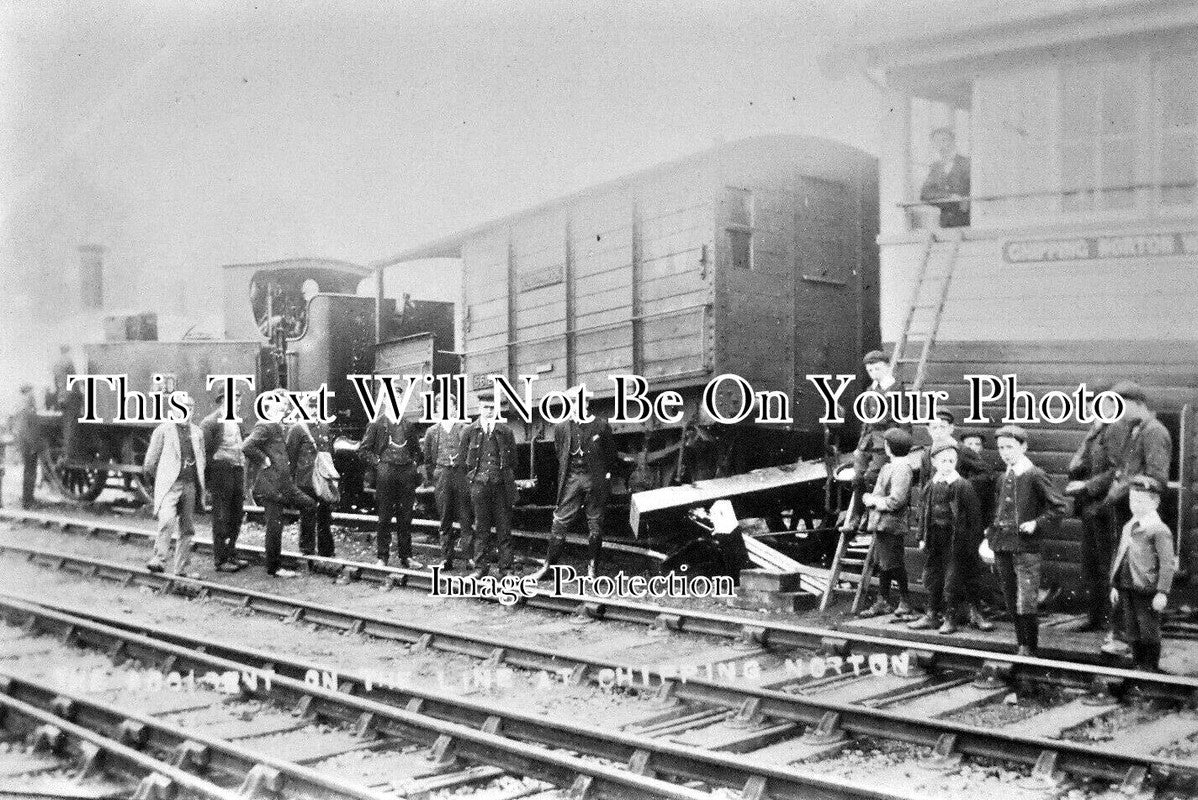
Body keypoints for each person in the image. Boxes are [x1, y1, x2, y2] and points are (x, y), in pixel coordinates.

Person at [985, 425, 1067, 656]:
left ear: (1023, 447)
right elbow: (999, 510)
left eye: (1010, 447)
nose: (1005, 452)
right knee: (1010, 597)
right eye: (1001, 447)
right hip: (1002, 546)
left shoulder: (1035, 475)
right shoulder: (1003, 478)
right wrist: (990, 534)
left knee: (1026, 598)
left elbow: (1060, 507)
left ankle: (1028, 647)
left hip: (1026, 548)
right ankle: (1020, 642)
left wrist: (1036, 523)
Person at [909, 442, 991, 634]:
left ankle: (951, 618)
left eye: (951, 461)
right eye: (943, 460)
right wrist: (921, 537)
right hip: (935, 540)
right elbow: (924, 513)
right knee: (932, 577)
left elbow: (974, 518)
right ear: (934, 462)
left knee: (952, 581)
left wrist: (971, 544)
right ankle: (931, 615)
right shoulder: (930, 485)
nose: (947, 464)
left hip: (957, 542)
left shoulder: (963, 486)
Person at [533, 407, 617, 581]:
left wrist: (602, 474)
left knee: (595, 523)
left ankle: (592, 569)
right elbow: (560, 452)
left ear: (586, 404)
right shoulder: (561, 427)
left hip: (593, 478)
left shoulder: (601, 425)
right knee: (560, 520)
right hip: (572, 477)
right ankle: (549, 567)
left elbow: (610, 454)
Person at [240, 391, 315, 578]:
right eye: (279, 405)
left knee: (310, 504)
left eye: (284, 405)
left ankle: (305, 550)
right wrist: (263, 459)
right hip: (270, 487)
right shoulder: (264, 426)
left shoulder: (277, 426)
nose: (283, 408)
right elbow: (247, 446)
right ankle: (274, 568)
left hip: (284, 485)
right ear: (269, 406)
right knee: (275, 527)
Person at [1064, 390, 1119, 631]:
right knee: (1091, 563)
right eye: (1086, 405)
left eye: (1093, 404)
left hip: (1107, 508)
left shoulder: (1114, 431)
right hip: (1090, 508)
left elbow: (1118, 470)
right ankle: (1095, 617)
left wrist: (1086, 485)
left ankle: (1113, 621)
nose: (1088, 409)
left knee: (1108, 564)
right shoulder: (1095, 430)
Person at [1108, 475, 1176, 671]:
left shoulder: (1158, 529)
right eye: (1132, 500)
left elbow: (1167, 563)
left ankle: (1150, 667)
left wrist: (1162, 591)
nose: (1134, 505)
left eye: (1140, 501)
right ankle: (1138, 665)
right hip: (1127, 585)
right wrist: (1114, 584)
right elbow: (1120, 555)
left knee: (1148, 629)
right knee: (1132, 629)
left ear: (1155, 503)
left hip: (1147, 588)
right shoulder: (1129, 526)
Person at [844, 350, 908, 531]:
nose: (874, 373)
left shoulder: (896, 389)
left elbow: (903, 420)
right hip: (868, 441)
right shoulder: (870, 390)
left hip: (886, 442)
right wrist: (860, 445)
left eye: (877, 369)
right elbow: (865, 419)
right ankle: (856, 516)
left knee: (871, 476)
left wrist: (900, 448)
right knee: (857, 477)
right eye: (870, 370)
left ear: (887, 367)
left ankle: (868, 515)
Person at [144, 394, 205, 577]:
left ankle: (181, 568)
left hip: (189, 485)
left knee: (187, 528)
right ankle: (159, 559)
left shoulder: (197, 432)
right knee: (167, 521)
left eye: (189, 408)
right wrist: (162, 480)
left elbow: (201, 458)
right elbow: (150, 463)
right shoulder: (163, 431)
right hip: (170, 485)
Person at [857, 428, 915, 619]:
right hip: (882, 524)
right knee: (883, 563)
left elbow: (896, 501)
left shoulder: (901, 468)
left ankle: (905, 601)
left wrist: (873, 501)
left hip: (892, 525)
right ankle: (883, 601)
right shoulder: (889, 467)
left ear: (890, 447)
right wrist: (871, 496)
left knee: (894, 564)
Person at [359, 405, 423, 568]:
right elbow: (363, 450)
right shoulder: (376, 424)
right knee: (384, 516)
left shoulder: (408, 425)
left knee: (406, 517)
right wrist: (379, 464)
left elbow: (417, 451)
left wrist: (413, 465)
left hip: (405, 474)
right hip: (386, 474)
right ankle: (382, 557)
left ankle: (406, 557)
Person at [1105, 381, 1172, 531]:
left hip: (1143, 512)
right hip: (1126, 509)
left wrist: (1127, 484)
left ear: (1136, 403)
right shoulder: (1133, 429)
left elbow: (1158, 479)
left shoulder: (1154, 431)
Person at [462, 396, 517, 579]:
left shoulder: (506, 431)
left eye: (493, 407)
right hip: (479, 486)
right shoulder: (470, 431)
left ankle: (506, 570)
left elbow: (513, 461)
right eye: (486, 407)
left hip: (501, 486)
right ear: (479, 408)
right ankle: (480, 569)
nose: (489, 410)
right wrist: (474, 478)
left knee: (504, 529)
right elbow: (464, 461)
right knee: (481, 529)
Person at [421, 392, 473, 570]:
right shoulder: (431, 432)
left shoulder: (465, 429)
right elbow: (428, 460)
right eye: (441, 407)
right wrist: (435, 478)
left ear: (455, 409)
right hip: (442, 476)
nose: (445, 410)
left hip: (461, 476)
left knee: (466, 518)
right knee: (444, 519)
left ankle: (469, 558)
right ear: (436, 410)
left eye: (449, 406)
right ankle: (446, 558)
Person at [201, 387, 248, 572]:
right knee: (222, 515)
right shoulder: (210, 423)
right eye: (234, 400)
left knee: (236, 514)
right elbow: (204, 453)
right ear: (223, 401)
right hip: (221, 472)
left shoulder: (237, 422)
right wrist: (207, 481)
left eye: (238, 400)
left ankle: (231, 553)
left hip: (236, 470)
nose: (238, 403)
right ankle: (221, 559)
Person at [286, 397, 336, 558]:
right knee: (307, 516)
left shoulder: (325, 427)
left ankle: (326, 551)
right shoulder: (297, 429)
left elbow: (329, 455)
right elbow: (291, 457)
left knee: (324, 516)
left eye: (317, 407)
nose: (314, 411)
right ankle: (307, 550)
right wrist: (291, 482)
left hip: (321, 479)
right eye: (311, 407)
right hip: (305, 480)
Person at [919, 127, 970, 228]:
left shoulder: (966, 163)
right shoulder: (935, 167)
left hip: (968, 220)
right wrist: (949, 197)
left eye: (944, 140)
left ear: (953, 142)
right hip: (946, 223)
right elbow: (925, 194)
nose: (941, 145)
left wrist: (964, 200)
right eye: (936, 142)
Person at [13, 385, 41, 509]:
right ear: (27, 394)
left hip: (27, 445)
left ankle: (29, 499)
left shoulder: (26, 408)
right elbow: (26, 430)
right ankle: (27, 501)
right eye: (31, 393)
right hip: (28, 446)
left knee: (30, 472)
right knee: (29, 472)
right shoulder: (26, 410)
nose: (33, 395)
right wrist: (33, 445)